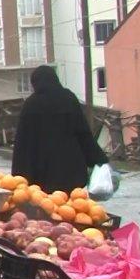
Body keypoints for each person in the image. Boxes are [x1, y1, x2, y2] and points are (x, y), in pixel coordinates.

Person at [12, 65, 109, 193]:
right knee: (73, 209)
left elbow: (22, 144)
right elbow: (83, 134)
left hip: (42, 176)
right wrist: (99, 159)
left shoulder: (31, 104)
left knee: (47, 209)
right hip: (72, 173)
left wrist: (18, 177)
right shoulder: (69, 98)